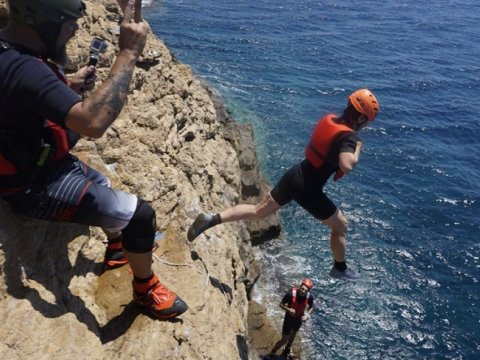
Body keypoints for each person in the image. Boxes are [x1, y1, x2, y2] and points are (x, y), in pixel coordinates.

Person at [0, 0, 188, 319]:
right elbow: (93, 123)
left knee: (102, 183)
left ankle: (118, 249)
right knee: (141, 216)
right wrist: (128, 52)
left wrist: (65, 85)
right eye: (67, 23)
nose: (75, 29)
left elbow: (20, 90)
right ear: (39, 22)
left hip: (37, 158)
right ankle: (145, 289)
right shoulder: (25, 69)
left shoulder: (10, 51)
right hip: (32, 185)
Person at [188, 89, 380, 280]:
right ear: (362, 119)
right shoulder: (349, 137)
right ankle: (340, 267)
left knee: (258, 211)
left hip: (296, 174)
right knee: (341, 226)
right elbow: (347, 165)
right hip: (308, 188)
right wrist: (357, 149)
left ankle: (211, 219)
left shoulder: (330, 119)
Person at [267, 278, 315, 359]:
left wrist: (307, 315)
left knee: (293, 334)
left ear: (308, 291)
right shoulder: (290, 294)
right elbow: (281, 304)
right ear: (300, 286)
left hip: (298, 319)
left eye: (306, 290)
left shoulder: (309, 296)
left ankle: (288, 348)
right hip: (289, 318)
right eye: (302, 288)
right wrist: (288, 309)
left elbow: (312, 306)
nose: (303, 291)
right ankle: (272, 352)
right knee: (284, 339)